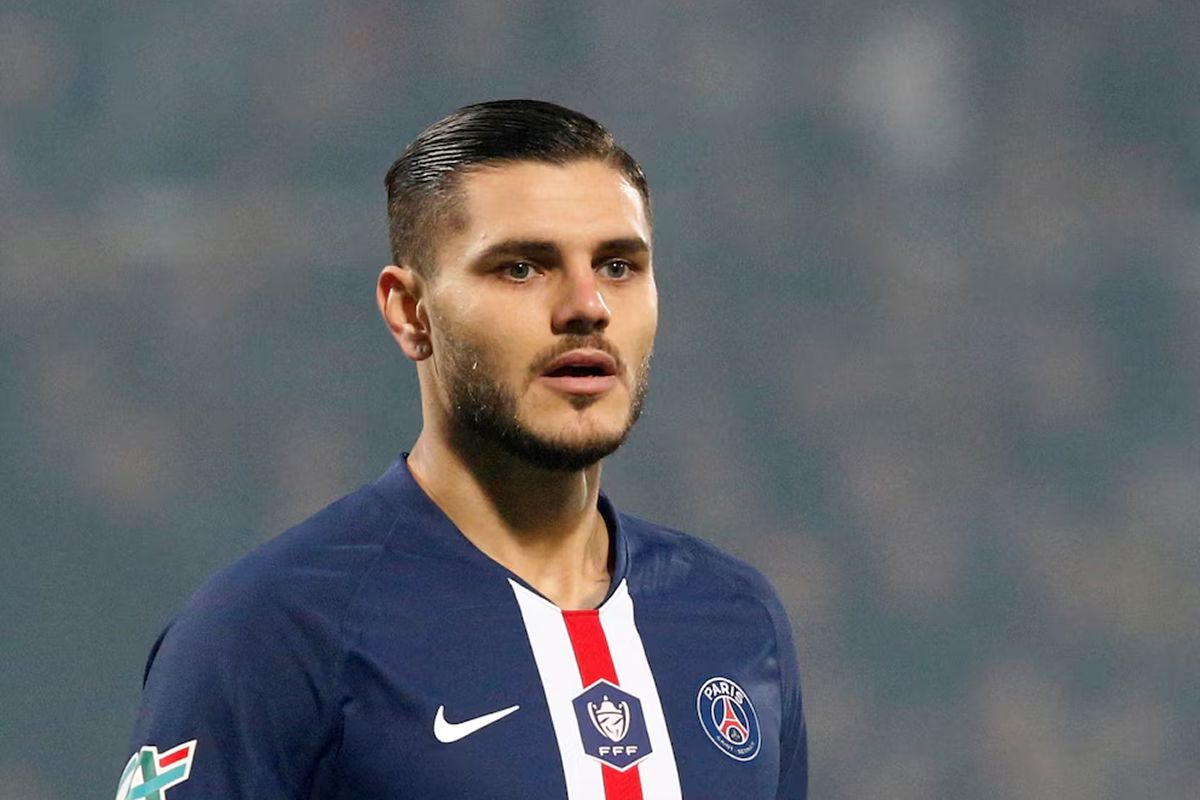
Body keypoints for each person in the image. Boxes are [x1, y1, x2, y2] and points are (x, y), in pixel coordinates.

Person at [117, 100, 806, 800]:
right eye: (522, 268)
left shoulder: (737, 618)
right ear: (409, 312)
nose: (587, 305)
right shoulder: (268, 632)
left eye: (619, 265)